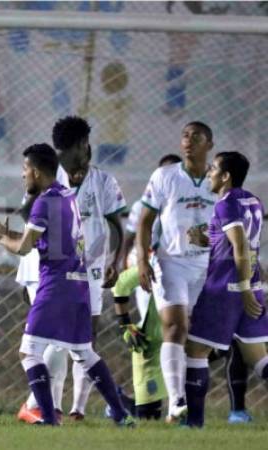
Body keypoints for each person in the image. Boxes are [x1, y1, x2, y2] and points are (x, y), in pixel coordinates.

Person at [0, 143, 133, 426]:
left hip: (55, 286)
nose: (23, 175)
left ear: (37, 172)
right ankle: (121, 416)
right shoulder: (66, 197)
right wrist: (5, 232)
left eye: (25, 169)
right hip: (79, 284)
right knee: (84, 353)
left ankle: (49, 418)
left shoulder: (44, 202)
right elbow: (44, 240)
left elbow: (24, 248)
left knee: (28, 352)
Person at [16, 116, 127, 422]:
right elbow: (29, 218)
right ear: (78, 146)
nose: (89, 148)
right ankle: (47, 407)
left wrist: (114, 261)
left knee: (83, 338)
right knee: (54, 338)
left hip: (86, 268)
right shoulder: (46, 176)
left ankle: (74, 408)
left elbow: (117, 224)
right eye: (85, 143)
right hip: (44, 268)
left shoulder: (102, 181)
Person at [136, 121, 216, 422]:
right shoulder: (164, 176)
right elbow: (144, 221)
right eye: (185, 135)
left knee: (199, 342)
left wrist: (212, 239)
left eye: (196, 137)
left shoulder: (218, 179)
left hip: (206, 265)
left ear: (209, 144)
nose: (188, 141)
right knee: (175, 327)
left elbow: (229, 225)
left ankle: (195, 414)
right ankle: (176, 402)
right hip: (171, 262)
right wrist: (143, 261)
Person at [184, 151, 268, 428]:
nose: (209, 171)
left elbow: (241, 247)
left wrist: (242, 289)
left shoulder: (226, 205)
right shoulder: (252, 200)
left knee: (195, 351)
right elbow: (236, 241)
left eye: (214, 168)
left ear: (226, 176)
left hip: (226, 290)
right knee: (259, 359)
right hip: (251, 286)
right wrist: (206, 238)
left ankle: (194, 423)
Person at [111, 153, 182, 420]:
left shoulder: (187, 204)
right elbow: (130, 235)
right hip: (147, 269)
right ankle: (148, 402)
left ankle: (165, 400)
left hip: (178, 269)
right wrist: (122, 264)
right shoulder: (145, 205)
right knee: (152, 333)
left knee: (174, 334)